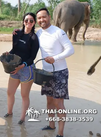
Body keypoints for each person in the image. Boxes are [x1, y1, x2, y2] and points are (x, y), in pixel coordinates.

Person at [36, 8, 74, 137]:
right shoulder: (38, 34)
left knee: (59, 103)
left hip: (60, 73)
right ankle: (51, 126)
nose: (42, 20)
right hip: (45, 73)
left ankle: (60, 133)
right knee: (49, 102)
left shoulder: (59, 32)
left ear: (49, 17)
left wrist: (55, 58)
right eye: (39, 18)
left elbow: (70, 50)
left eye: (44, 17)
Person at [4, 12, 39, 125]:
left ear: (34, 23)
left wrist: (21, 66)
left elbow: (32, 57)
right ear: (23, 21)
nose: (28, 22)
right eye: (26, 20)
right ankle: (9, 113)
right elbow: (14, 50)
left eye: (31, 21)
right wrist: (8, 54)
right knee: (10, 92)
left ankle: (22, 118)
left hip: (26, 69)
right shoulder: (17, 33)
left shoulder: (34, 38)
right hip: (15, 67)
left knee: (24, 95)